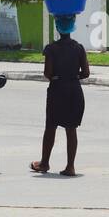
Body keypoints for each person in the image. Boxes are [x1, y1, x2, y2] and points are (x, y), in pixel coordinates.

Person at [32, 14, 90, 176]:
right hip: (74, 91)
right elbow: (86, 73)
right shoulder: (79, 48)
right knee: (71, 129)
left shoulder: (51, 49)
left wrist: (59, 76)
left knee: (51, 126)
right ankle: (70, 167)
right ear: (72, 27)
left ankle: (44, 163)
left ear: (57, 27)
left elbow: (47, 73)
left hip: (57, 90)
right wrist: (73, 75)